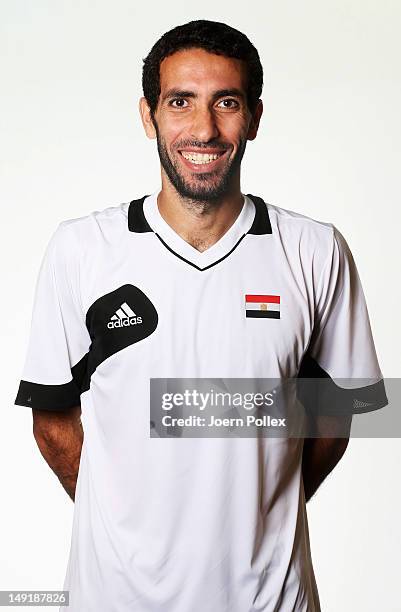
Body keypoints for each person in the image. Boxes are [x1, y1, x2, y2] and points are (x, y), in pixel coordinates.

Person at [15, 19, 388, 612]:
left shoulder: (316, 251)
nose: (204, 129)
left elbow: (336, 421)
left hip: (271, 601)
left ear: (255, 118)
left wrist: (257, 514)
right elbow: (52, 420)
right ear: (149, 116)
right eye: (180, 102)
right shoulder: (81, 250)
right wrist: (126, 521)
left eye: (227, 103)